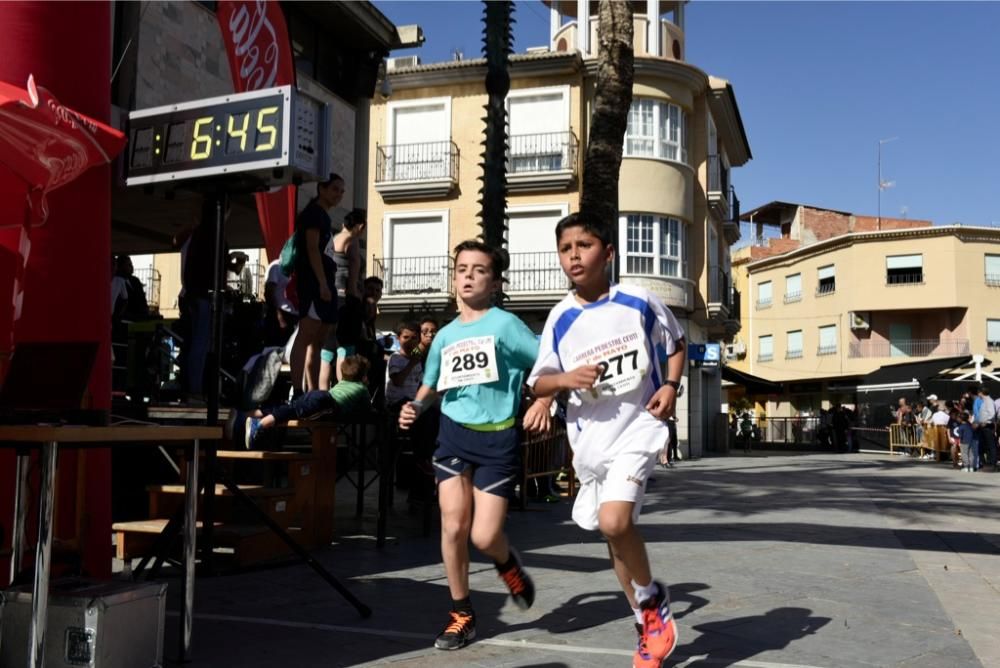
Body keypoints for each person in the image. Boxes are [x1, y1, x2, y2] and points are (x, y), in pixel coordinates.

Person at [526, 212, 685, 668]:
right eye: (565, 248)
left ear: (608, 253)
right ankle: (645, 623)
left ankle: (652, 600)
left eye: (584, 244)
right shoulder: (560, 316)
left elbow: (675, 346)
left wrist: (670, 387)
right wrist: (563, 381)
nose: (574, 255)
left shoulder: (638, 300)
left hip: (638, 429)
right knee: (614, 538)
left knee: (616, 522)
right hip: (590, 442)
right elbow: (538, 383)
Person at [398, 240, 550, 652]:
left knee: (484, 536)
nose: (467, 275)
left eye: (478, 270)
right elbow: (432, 382)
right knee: (452, 524)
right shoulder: (445, 335)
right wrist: (414, 406)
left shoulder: (506, 326)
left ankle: (506, 562)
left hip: (498, 438)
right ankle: (461, 614)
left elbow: (546, 364)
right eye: (461, 268)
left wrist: (543, 399)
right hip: (452, 434)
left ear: (495, 282)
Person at [289, 174, 345, 394]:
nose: (339, 194)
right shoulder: (313, 214)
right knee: (306, 334)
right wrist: (321, 283)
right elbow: (312, 249)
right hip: (314, 283)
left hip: (326, 281)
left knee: (319, 340)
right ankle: (298, 389)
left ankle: (313, 391)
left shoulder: (323, 216)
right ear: (321, 189)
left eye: (342, 191)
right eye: (335, 189)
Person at [244, 355, 370, 448]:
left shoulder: (342, 382)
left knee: (290, 406)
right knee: (293, 411)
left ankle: (251, 414)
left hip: (318, 394)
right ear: (363, 376)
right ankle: (259, 425)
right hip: (329, 404)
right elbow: (367, 408)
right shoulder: (362, 389)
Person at [319, 208, 368, 388]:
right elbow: (353, 269)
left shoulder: (333, 239)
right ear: (360, 226)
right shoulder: (352, 241)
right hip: (346, 300)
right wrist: (355, 293)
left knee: (326, 352)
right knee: (345, 350)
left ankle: (322, 393)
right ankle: (343, 392)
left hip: (331, 297)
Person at [263, 257, 299, 347]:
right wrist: (279, 316)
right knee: (277, 349)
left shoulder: (297, 267)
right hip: (280, 315)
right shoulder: (276, 266)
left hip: (296, 315)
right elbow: (269, 293)